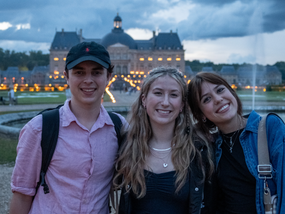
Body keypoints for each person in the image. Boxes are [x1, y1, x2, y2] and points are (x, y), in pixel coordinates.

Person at [9, 41, 127, 214]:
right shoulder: (39, 129)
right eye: (79, 72)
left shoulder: (120, 128)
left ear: (109, 77)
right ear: (67, 76)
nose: (88, 80)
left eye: (96, 72)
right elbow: (21, 195)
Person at [114, 67, 215, 214]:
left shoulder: (199, 150)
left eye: (174, 95)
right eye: (158, 93)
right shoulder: (126, 144)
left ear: (182, 105)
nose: (165, 102)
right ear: (144, 99)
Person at [187, 72, 285, 214]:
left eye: (220, 90)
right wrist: (197, 131)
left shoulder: (270, 127)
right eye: (207, 99)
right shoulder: (209, 145)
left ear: (231, 92)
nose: (218, 99)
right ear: (201, 115)